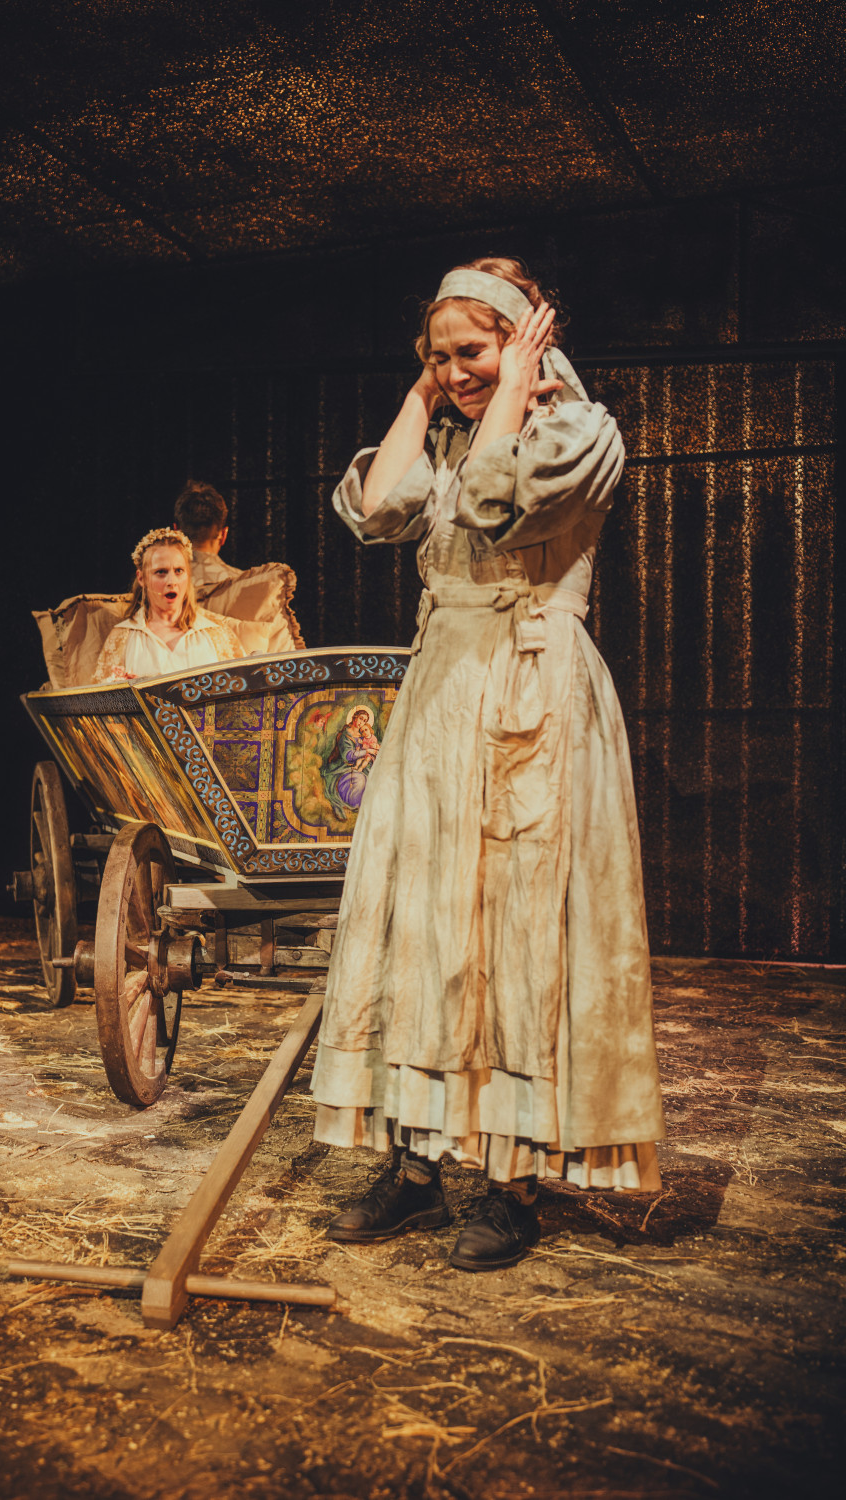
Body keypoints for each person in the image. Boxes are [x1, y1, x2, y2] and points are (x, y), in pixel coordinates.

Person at [311, 257, 665, 1273]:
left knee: (519, 934)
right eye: (439, 355)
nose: (456, 370)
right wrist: (423, 398)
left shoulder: (578, 433)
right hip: (441, 696)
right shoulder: (455, 428)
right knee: (420, 926)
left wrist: (509, 388)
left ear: (524, 338)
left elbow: (490, 503)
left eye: (472, 350)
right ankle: (415, 1161)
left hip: (530, 690)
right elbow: (378, 510)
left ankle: (511, 1185)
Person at [92, 527, 243, 683]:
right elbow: (103, 694)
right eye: (161, 572)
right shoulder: (122, 637)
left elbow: (242, 686)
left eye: (179, 571)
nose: (172, 582)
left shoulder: (215, 632)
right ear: (142, 578)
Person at [174, 480, 304, 653]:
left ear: (176, 532)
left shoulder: (155, 589)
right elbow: (284, 657)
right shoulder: (256, 588)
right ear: (223, 534)